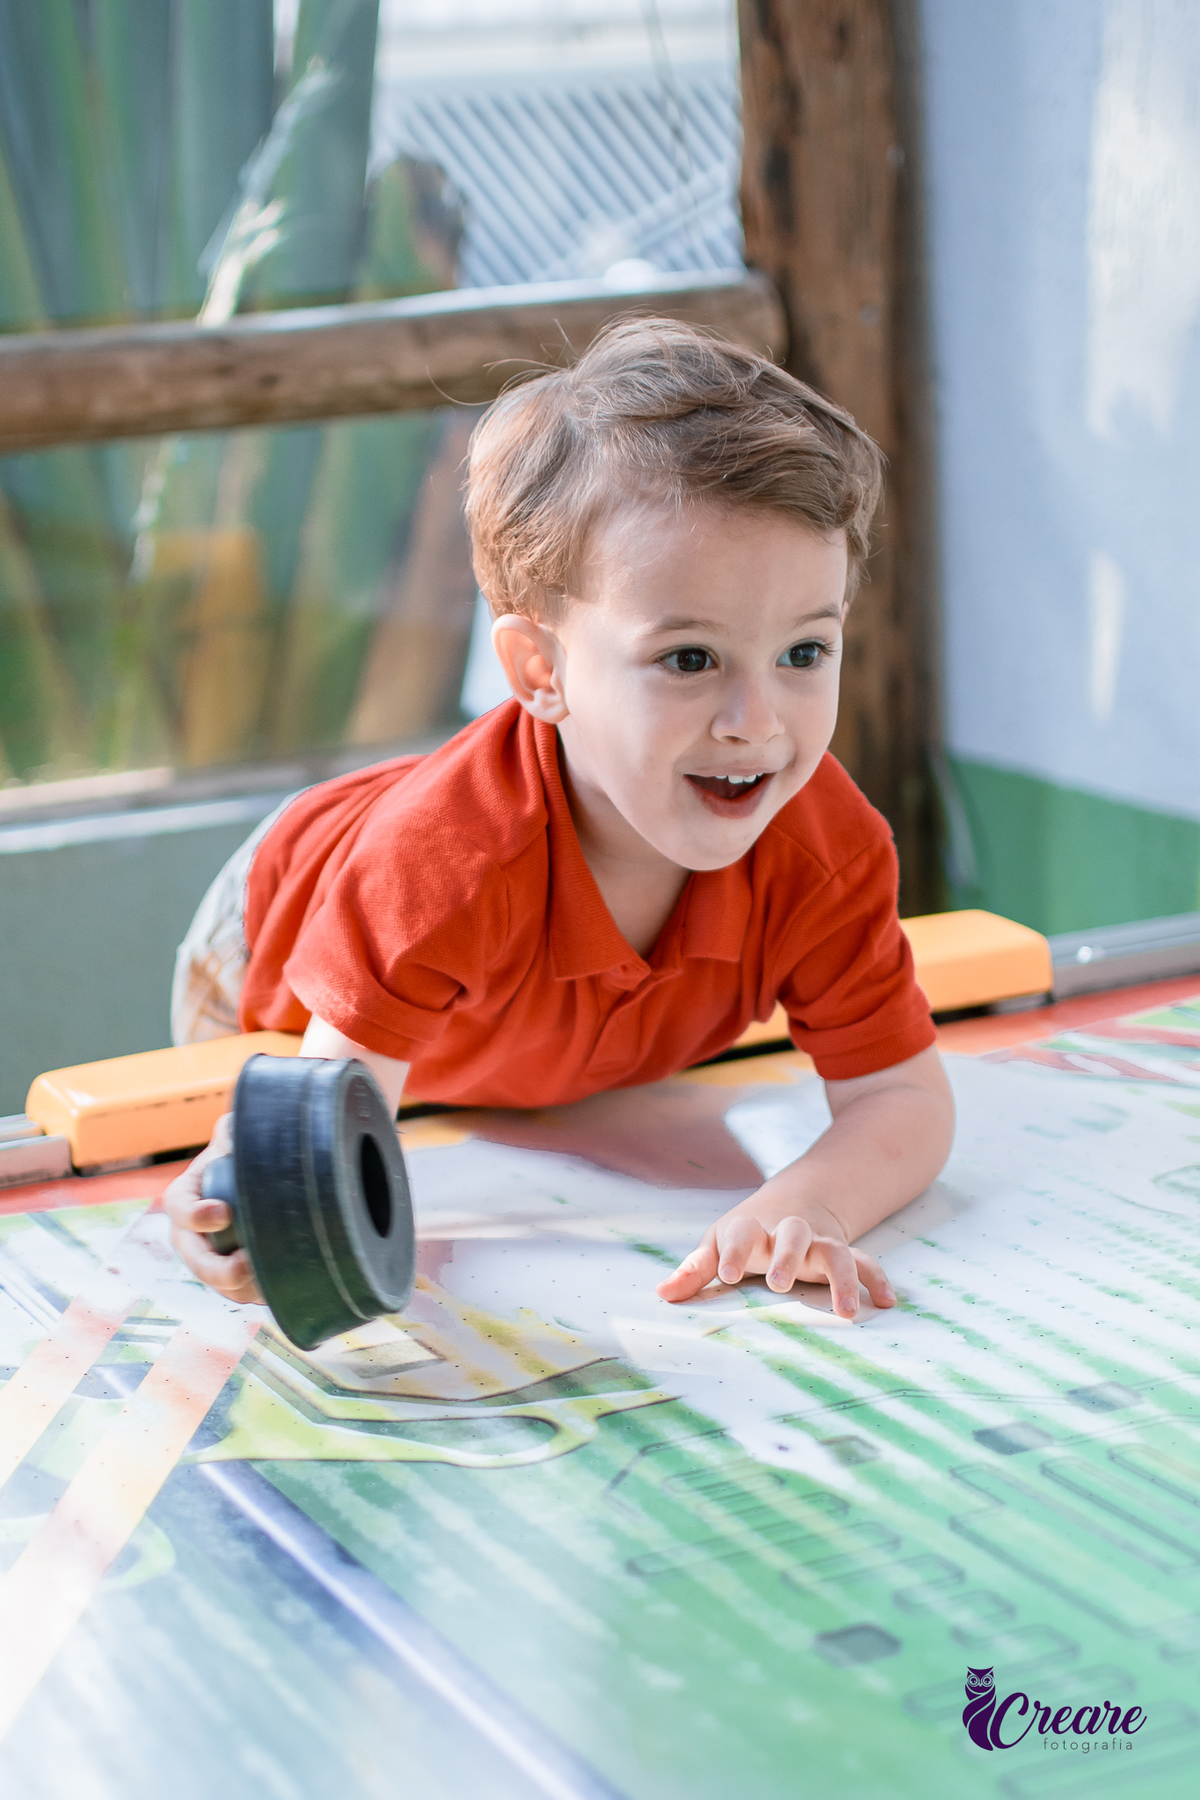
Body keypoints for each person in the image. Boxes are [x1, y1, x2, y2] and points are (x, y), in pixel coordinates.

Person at [165, 317, 954, 1319]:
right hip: (272, 946)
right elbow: (324, 1113)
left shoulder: (825, 853)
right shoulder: (442, 863)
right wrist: (256, 1196)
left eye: (804, 653)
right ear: (541, 670)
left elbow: (904, 1099)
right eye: (689, 659)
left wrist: (811, 1199)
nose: (756, 725)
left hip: (527, 1015)